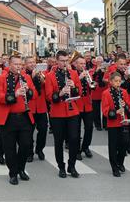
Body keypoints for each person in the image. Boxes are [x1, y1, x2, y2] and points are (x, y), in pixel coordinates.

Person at [0, 55, 37, 185]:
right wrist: (14, 95)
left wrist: (28, 91)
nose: (19, 67)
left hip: (24, 117)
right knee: (9, 148)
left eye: (20, 65)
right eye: (16, 64)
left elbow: (35, 94)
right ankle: (13, 173)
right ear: (9, 65)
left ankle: (21, 168)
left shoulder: (26, 78)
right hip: (7, 118)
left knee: (26, 145)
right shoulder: (1, 78)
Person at [45, 50, 82, 178]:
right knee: (59, 141)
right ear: (57, 61)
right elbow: (49, 96)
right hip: (57, 112)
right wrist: (60, 93)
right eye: (62, 61)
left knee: (73, 139)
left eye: (66, 61)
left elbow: (79, 93)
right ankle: (61, 166)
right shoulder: (50, 75)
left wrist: (74, 88)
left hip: (72, 111)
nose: (65, 63)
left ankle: (72, 166)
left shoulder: (73, 73)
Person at [101, 72, 130, 177]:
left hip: (124, 121)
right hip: (113, 123)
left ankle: (120, 162)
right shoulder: (106, 93)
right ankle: (114, 167)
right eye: (116, 81)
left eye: (119, 81)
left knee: (125, 142)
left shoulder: (124, 92)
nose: (118, 83)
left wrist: (125, 105)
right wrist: (116, 112)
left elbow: (129, 108)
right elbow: (105, 111)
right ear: (111, 82)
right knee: (113, 145)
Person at [25, 56, 48, 162]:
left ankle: (39, 149)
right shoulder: (23, 75)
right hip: (29, 107)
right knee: (29, 132)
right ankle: (29, 152)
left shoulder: (42, 73)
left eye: (33, 62)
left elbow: (46, 85)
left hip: (41, 107)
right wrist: (33, 78)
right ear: (25, 64)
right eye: (29, 62)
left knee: (43, 130)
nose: (32, 64)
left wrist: (40, 77)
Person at [73, 56, 94, 160]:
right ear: (75, 64)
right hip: (77, 104)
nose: (83, 66)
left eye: (84, 64)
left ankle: (85, 147)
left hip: (88, 104)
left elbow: (92, 87)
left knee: (89, 127)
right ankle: (76, 150)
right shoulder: (72, 74)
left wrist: (91, 83)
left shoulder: (87, 73)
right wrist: (79, 78)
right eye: (80, 64)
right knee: (76, 130)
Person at [91, 56, 107, 131]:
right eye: (98, 61)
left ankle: (105, 124)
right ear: (96, 62)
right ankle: (97, 125)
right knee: (96, 109)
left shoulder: (106, 69)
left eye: (101, 61)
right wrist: (96, 71)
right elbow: (91, 78)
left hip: (104, 90)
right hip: (96, 92)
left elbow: (109, 77)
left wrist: (105, 71)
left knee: (105, 108)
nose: (100, 63)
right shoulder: (92, 69)